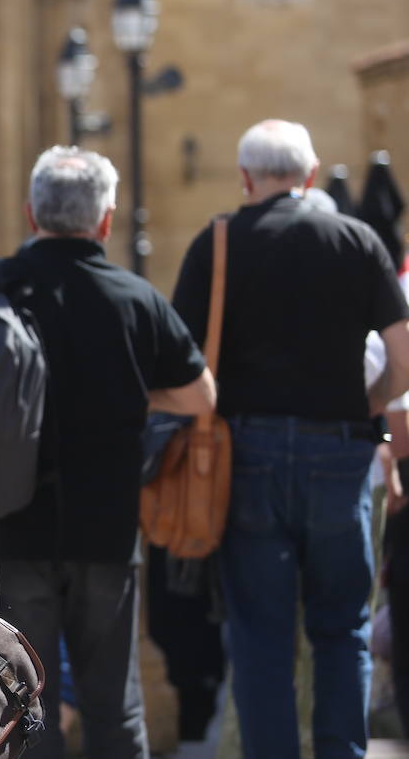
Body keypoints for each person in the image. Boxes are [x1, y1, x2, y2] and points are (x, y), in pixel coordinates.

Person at [0, 146, 216, 759]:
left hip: (10, 527)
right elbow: (199, 396)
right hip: (106, 533)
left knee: (22, 701)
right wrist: (137, 395)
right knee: (115, 704)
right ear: (106, 221)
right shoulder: (134, 298)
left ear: (32, 214)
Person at [172, 119, 409, 759]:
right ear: (309, 176)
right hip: (339, 451)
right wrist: (375, 399)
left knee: (260, 636)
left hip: (245, 457)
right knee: (342, 628)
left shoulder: (216, 243)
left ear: (246, 178)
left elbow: (177, 360)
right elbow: (403, 351)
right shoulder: (358, 239)